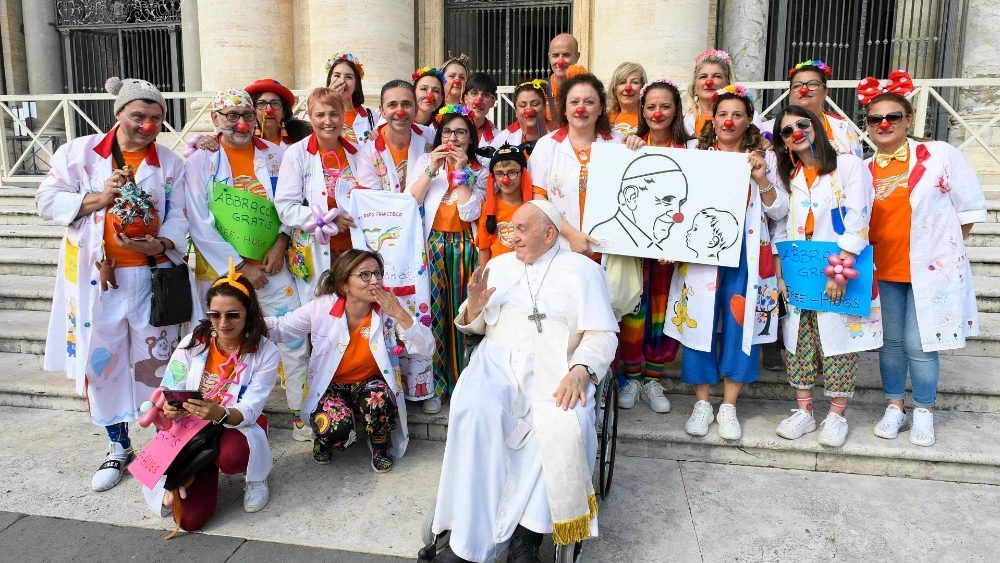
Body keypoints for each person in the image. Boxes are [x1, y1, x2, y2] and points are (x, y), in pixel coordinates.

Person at [430, 200, 618, 563]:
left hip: (559, 367)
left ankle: (526, 537)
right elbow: (474, 326)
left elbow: (604, 334)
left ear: (549, 233)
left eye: (521, 230)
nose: (512, 237)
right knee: (473, 410)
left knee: (568, 421)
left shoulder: (584, 271)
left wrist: (581, 369)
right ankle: (468, 539)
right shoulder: (497, 266)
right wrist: (473, 305)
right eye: (509, 230)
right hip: (497, 363)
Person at [37, 76, 188, 492]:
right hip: (97, 283)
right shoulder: (80, 154)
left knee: (157, 363)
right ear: (118, 113)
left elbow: (181, 214)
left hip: (151, 279)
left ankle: (163, 444)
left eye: (156, 118)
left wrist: (162, 241)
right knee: (103, 364)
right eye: (139, 115)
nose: (147, 125)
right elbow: (45, 201)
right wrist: (99, 200)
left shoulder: (170, 164)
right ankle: (118, 446)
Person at [857, 72, 985, 446]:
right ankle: (895, 407)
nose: (883, 124)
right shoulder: (863, 169)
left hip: (930, 273)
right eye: (874, 118)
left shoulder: (940, 155)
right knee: (891, 343)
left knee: (921, 343)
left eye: (892, 117)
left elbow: (968, 209)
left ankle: (924, 411)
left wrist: (943, 253)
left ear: (908, 120)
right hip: (884, 270)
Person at [183, 88, 309, 441]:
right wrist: (239, 265)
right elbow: (198, 219)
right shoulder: (200, 162)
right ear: (214, 119)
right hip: (222, 273)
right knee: (223, 343)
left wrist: (283, 241)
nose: (240, 123)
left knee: (293, 338)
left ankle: (301, 412)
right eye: (230, 116)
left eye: (247, 115)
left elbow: (292, 200)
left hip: (272, 267)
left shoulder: (277, 155)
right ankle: (227, 418)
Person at [664, 85, 787, 439]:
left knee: (741, 326)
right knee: (698, 323)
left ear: (748, 119)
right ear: (712, 119)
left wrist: (761, 177)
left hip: (746, 257)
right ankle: (702, 403)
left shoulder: (765, 157)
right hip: (702, 256)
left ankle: (729, 405)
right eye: (722, 114)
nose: (729, 121)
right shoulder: (694, 153)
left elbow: (778, 210)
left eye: (736, 114)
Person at [770, 106, 882, 448]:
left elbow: (859, 216)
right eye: (787, 131)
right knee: (799, 341)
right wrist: (779, 273)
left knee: (838, 343)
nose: (796, 133)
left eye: (801, 124)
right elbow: (780, 223)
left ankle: (836, 415)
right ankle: (804, 411)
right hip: (800, 271)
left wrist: (840, 268)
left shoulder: (848, 166)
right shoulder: (790, 175)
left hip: (839, 268)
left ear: (815, 125)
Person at [266, 249, 434, 470]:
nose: (375, 281)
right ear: (344, 284)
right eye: (365, 275)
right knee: (333, 429)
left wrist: (400, 314)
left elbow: (426, 347)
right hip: (331, 386)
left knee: (380, 399)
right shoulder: (322, 307)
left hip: (369, 383)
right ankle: (324, 440)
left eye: (377, 274)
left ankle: (379, 443)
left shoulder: (387, 310)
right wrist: (243, 323)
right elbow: (282, 327)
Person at [141, 264, 278, 530]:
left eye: (232, 315)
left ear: (248, 314)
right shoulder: (195, 341)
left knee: (233, 455)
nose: (223, 324)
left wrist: (220, 413)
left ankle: (256, 478)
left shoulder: (266, 352)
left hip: (234, 426)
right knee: (189, 522)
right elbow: (171, 383)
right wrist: (171, 406)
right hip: (189, 430)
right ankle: (193, 469)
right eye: (215, 315)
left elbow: (252, 405)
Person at [611, 78, 693, 412]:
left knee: (664, 312)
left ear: (676, 111)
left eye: (665, 106)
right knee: (634, 310)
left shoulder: (693, 152)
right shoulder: (628, 146)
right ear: (642, 111)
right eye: (651, 107)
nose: (657, 113)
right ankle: (631, 376)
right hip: (633, 250)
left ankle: (653, 378)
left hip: (674, 255)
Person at [405, 105, 487, 413]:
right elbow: (410, 201)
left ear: (471, 137)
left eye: (461, 133)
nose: (453, 138)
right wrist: (432, 169)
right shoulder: (426, 161)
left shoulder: (481, 168)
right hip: (432, 247)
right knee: (435, 316)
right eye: (448, 132)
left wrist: (461, 173)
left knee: (465, 317)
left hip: (465, 247)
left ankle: (466, 384)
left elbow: (470, 212)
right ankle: (437, 385)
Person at [274, 87, 363, 298]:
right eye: (320, 115)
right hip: (315, 251)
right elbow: (286, 208)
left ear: (343, 116)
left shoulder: (358, 153)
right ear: (310, 117)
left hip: (354, 251)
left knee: (354, 310)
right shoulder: (296, 154)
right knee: (320, 314)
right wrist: (327, 220)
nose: (328, 121)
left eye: (334, 114)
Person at [529, 68, 622, 257]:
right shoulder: (546, 146)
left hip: (611, 252)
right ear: (564, 107)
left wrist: (638, 146)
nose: (581, 108)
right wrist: (572, 236)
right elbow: (540, 199)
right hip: (562, 249)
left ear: (600, 108)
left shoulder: (619, 143)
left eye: (589, 102)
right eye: (574, 102)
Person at [760, 60, 863, 158]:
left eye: (813, 84)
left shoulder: (843, 129)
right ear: (790, 93)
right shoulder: (767, 130)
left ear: (825, 91)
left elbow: (858, 168)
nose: (804, 90)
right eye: (797, 86)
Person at [355, 80, 430, 193]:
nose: (400, 111)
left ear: (416, 109)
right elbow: (372, 199)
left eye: (406, 104)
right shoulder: (367, 152)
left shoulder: (430, 137)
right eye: (392, 105)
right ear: (382, 111)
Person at [476, 143, 533, 266]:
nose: (505, 180)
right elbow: (484, 249)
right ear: (493, 176)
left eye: (512, 172)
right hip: (499, 273)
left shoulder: (535, 205)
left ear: (523, 173)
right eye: (499, 173)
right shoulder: (488, 207)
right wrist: (483, 279)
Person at [684, 49, 761, 137]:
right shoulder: (684, 122)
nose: (709, 82)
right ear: (695, 85)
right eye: (703, 76)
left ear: (728, 82)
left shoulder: (749, 117)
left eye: (717, 76)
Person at [325, 52, 380, 144]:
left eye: (348, 77)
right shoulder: (314, 114)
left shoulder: (372, 117)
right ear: (330, 80)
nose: (342, 81)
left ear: (356, 85)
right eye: (337, 76)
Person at [493, 79, 555, 149]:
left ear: (544, 107)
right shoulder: (502, 140)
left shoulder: (558, 135)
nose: (529, 110)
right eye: (522, 105)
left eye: (535, 104)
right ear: (516, 111)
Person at [245, 77, 298, 146]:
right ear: (253, 112)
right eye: (261, 103)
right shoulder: (244, 143)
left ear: (284, 112)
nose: (269, 110)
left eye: (275, 103)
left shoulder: (299, 143)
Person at [547, 33, 581, 121]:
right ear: (549, 57)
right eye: (555, 55)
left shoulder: (589, 89)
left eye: (566, 55)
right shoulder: (541, 91)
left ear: (577, 57)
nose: (560, 61)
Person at [607, 62, 647, 137]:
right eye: (622, 82)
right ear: (614, 89)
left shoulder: (649, 119)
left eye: (635, 82)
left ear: (642, 88)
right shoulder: (604, 119)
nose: (628, 88)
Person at [463, 72, 501, 149]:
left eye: (486, 95)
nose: (479, 100)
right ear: (465, 98)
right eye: (474, 93)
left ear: (493, 102)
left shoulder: (499, 137)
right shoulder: (452, 130)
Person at [413, 65, 447, 131]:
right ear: (413, 93)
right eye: (423, 89)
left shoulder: (444, 127)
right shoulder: (400, 122)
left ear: (442, 98)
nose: (429, 95)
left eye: (436, 91)